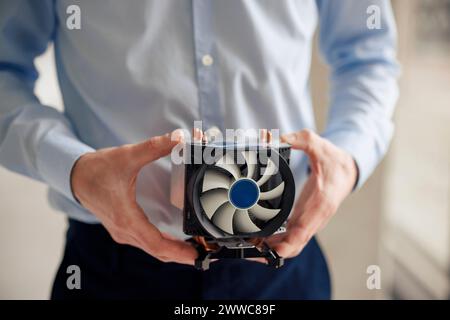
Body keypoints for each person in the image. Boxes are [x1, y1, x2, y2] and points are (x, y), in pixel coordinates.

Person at [0, 0, 398, 299]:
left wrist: (348, 158)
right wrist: (74, 168)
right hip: (112, 268)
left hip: (280, 261)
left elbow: (369, 54)